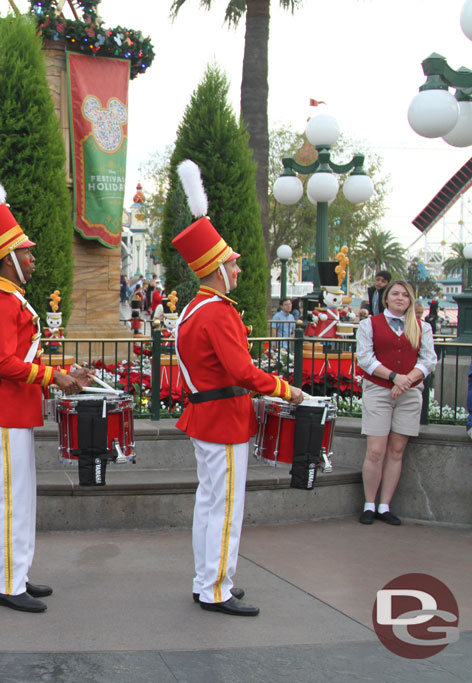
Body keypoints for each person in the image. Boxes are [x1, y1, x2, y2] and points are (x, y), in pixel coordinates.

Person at [172, 160, 302, 618]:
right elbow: (244, 371)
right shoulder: (218, 312)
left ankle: (206, 579)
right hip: (224, 419)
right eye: (233, 263)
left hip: (207, 417)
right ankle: (217, 589)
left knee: (208, 503)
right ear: (217, 269)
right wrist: (287, 389)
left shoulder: (192, 310)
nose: (239, 269)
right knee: (226, 507)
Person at [0, 155, 91, 614]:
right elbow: (3, 362)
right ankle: (7, 584)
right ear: (11, 258)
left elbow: (22, 359)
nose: (34, 259)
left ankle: (18, 573)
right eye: (28, 252)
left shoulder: (10, 299)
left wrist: (64, 372)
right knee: (12, 498)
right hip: (5, 406)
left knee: (21, 497)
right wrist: (52, 376)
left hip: (14, 406)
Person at [355, 280, 437, 526]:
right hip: (379, 390)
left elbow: (428, 360)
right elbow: (365, 358)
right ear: (386, 298)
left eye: (405, 295)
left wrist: (407, 381)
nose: (400, 298)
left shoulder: (422, 327)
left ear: (410, 300)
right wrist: (394, 377)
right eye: (395, 294)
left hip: (409, 394)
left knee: (397, 450)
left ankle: (385, 505)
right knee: (375, 450)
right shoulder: (369, 324)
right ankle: (369, 503)